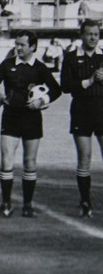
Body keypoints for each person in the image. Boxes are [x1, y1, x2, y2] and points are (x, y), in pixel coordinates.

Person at [0, 30, 61, 218]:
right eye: (17, 44)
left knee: (29, 162)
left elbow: (57, 89)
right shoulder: (7, 65)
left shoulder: (40, 68)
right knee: (6, 161)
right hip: (10, 117)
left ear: (33, 47)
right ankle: (6, 204)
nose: (18, 47)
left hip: (32, 119)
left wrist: (42, 101)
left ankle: (27, 205)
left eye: (22, 44)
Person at [60, 19, 103, 218]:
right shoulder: (70, 58)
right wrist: (90, 81)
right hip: (81, 112)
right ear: (82, 36)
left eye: (96, 34)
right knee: (84, 158)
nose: (93, 38)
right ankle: (85, 201)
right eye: (89, 34)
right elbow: (66, 86)